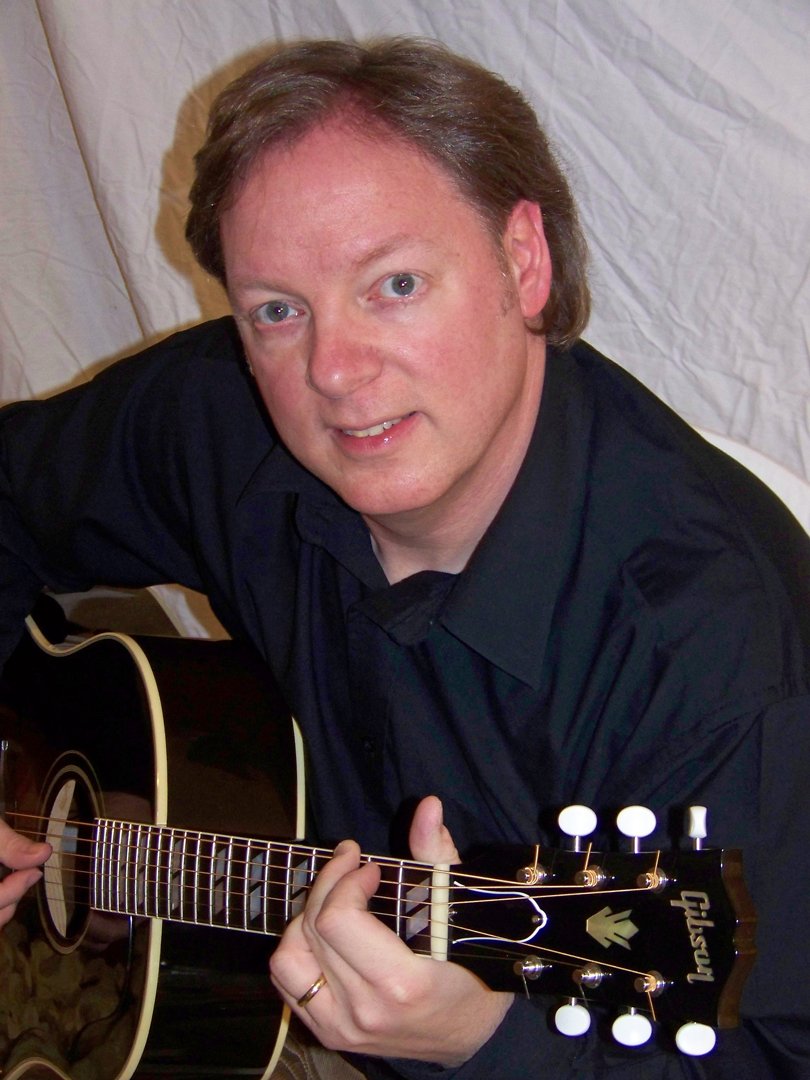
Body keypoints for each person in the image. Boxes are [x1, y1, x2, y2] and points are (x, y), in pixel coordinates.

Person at [0, 37, 808, 1080]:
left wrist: (483, 1041)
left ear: (524, 262)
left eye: (395, 284)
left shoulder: (721, 658)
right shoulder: (222, 421)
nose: (334, 370)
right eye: (277, 310)